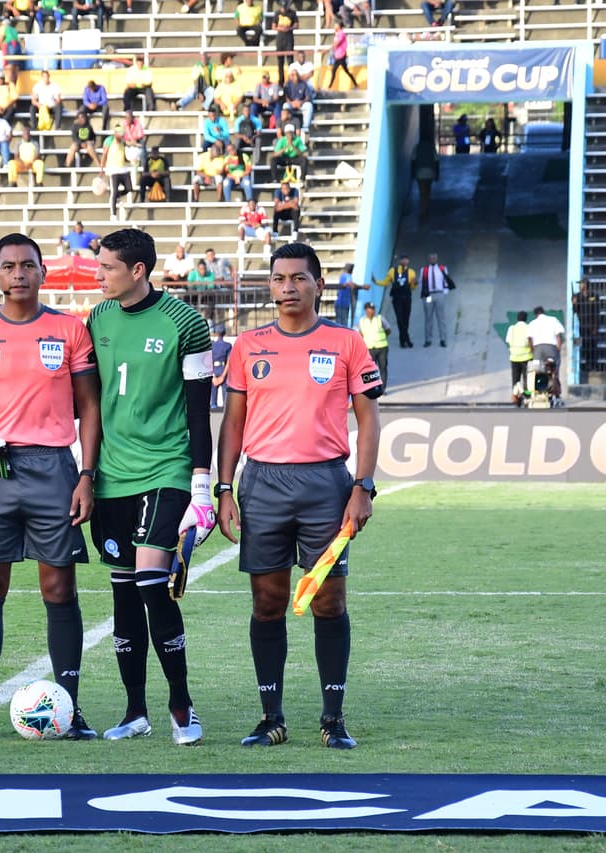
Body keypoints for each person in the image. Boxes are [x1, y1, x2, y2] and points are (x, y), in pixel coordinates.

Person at [217, 241, 383, 752]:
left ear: (318, 285)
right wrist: (225, 489)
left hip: (326, 486)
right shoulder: (247, 346)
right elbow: (233, 422)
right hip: (263, 485)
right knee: (267, 603)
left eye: (298, 278)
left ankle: (333, 718)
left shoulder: (346, 341)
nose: (287, 287)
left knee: (328, 601)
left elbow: (369, 418)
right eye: (278, 278)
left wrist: (363, 485)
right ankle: (272, 718)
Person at [0, 232, 101, 741]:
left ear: (41, 272)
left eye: (28, 265)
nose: (18, 274)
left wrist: (86, 476)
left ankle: (69, 710)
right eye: (8, 266)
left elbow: (90, 407)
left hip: (53, 469)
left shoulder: (70, 330)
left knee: (59, 586)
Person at [86, 228, 215, 746]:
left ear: (138, 270)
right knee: (122, 592)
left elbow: (199, 410)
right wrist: (86, 469)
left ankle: (181, 704)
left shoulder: (185, 322)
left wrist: (201, 488)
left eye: (107, 268)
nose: (99, 276)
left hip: (166, 469)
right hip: (111, 477)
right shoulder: (97, 318)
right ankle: (134, 710)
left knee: (149, 584)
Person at [376, 254, 416, 347]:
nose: (404, 261)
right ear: (400, 261)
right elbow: (385, 282)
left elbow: (413, 287)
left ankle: (404, 340)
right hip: (397, 299)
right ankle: (406, 340)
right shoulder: (392, 271)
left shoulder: (411, 272)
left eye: (406, 260)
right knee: (400, 319)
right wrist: (376, 282)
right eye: (403, 259)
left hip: (407, 298)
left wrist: (415, 284)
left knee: (406, 320)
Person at [527, 305, 566, 388]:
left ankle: (539, 389)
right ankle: (555, 389)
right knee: (555, 369)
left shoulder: (532, 323)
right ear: (544, 312)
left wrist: (532, 351)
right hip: (551, 348)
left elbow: (529, 339)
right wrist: (558, 349)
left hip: (538, 349)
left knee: (537, 371)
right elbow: (559, 336)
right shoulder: (553, 320)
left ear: (535, 315)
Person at [419, 253, 451, 347]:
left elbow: (446, 280)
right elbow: (421, 282)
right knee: (428, 317)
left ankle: (443, 339)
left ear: (437, 259)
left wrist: (445, 292)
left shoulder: (442, 268)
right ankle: (428, 339)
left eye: (434, 258)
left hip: (439, 294)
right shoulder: (424, 270)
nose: (432, 259)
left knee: (441, 318)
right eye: (431, 258)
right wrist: (424, 294)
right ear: (429, 259)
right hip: (428, 295)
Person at [100, 122, 132, 219]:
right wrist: (101, 168)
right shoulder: (110, 141)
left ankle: (118, 196)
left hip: (123, 169)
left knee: (129, 188)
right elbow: (104, 155)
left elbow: (123, 154)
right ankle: (113, 214)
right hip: (113, 170)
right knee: (113, 192)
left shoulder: (123, 142)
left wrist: (130, 160)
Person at [358, 301, 391, 392]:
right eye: (370, 309)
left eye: (373, 309)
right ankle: (370, 388)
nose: (372, 311)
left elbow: (388, 330)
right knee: (369, 370)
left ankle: (382, 388)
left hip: (382, 347)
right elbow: (360, 334)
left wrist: (381, 338)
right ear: (366, 310)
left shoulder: (380, 319)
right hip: (369, 348)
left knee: (383, 367)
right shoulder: (362, 321)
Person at [506, 309, 532, 405]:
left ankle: (516, 398)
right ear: (526, 319)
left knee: (515, 379)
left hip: (514, 357)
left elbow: (508, 341)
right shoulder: (528, 327)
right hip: (527, 357)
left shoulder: (511, 328)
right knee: (527, 379)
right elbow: (530, 342)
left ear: (517, 319)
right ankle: (527, 396)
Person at [237, 197, 271, 264]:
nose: (251, 206)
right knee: (241, 227)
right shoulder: (244, 209)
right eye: (250, 204)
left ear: (256, 204)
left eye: (253, 204)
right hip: (248, 229)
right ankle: (241, 249)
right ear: (248, 205)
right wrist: (251, 223)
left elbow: (266, 223)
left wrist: (259, 225)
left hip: (258, 229)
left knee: (268, 232)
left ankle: (266, 254)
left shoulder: (261, 209)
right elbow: (241, 221)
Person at [333, 262, 367, 328]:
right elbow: (350, 284)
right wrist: (362, 287)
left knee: (339, 322)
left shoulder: (342, 276)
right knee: (343, 324)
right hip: (344, 303)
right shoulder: (348, 276)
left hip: (340, 302)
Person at [272, 0, 297, 82]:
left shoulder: (292, 13)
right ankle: (281, 80)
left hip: (289, 38)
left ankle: (291, 79)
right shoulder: (277, 13)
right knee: (280, 61)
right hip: (280, 39)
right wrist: (281, 28)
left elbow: (296, 25)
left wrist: (289, 28)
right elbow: (273, 26)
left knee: (290, 60)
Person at [327, 21, 357, 89]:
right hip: (338, 55)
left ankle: (329, 86)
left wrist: (328, 49)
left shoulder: (342, 34)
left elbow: (337, 43)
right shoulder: (338, 34)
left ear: (339, 26)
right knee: (345, 71)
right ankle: (355, 84)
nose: (334, 27)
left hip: (341, 55)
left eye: (335, 26)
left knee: (334, 71)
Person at [210, 325, 232, 409]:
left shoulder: (212, 345)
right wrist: (223, 376)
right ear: (224, 333)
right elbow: (229, 361)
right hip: (223, 369)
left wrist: (213, 375)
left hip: (214, 369)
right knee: (225, 393)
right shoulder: (228, 345)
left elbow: (208, 360)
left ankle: (214, 405)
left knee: (213, 392)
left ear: (216, 333)